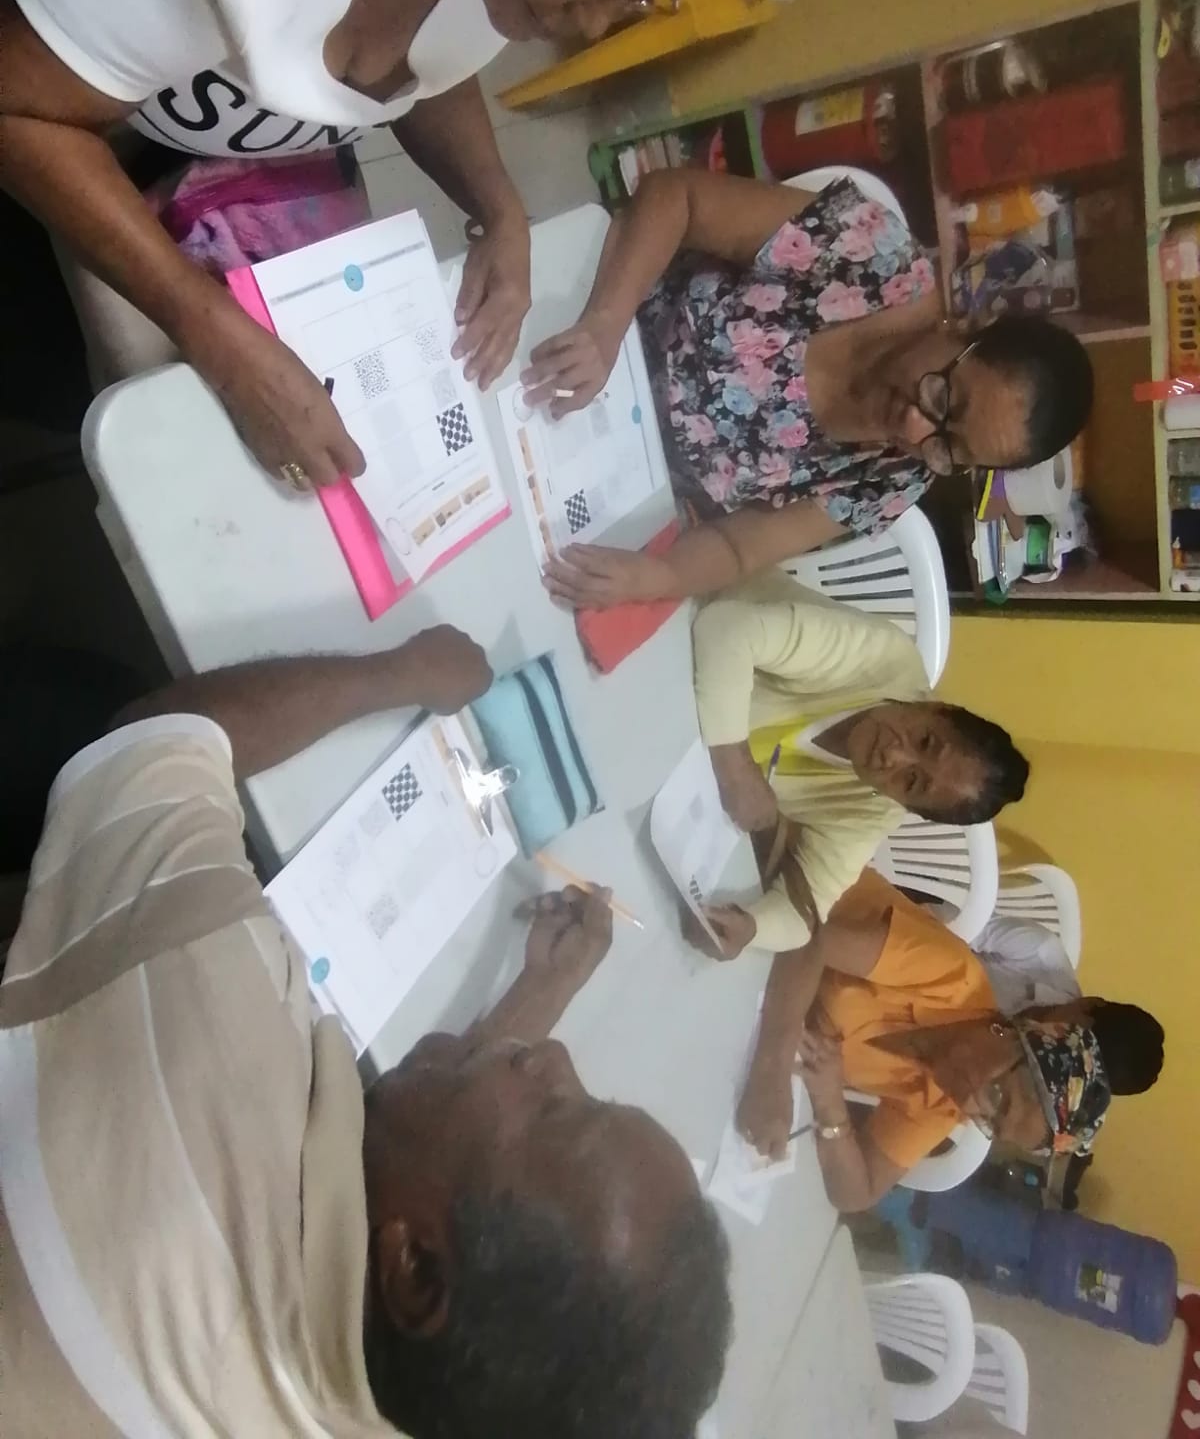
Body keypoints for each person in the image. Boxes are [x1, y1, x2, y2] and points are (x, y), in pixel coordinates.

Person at [0, 626, 732, 1437]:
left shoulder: (213, 1025)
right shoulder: (431, 1392)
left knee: (89, 700)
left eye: (558, 1110)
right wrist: (541, 990)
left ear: (412, 1271)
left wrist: (402, 673)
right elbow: (406, 1171)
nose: (554, 1056)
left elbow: (155, 742)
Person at [0, 0, 771, 487]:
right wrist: (219, 339)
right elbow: (18, 105)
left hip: (204, 146)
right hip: (59, 114)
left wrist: (498, 206)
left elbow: (424, 62)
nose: (594, 20)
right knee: (98, 397)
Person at [536, 171, 1093, 610]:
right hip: (586, 315)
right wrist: (604, 326)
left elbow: (739, 546)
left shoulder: (893, 479)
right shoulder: (871, 258)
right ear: (964, 327)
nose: (913, 428)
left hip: (609, 474)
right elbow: (676, 197)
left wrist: (657, 577)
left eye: (949, 448)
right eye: (945, 398)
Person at [735, 869, 1164, 1211]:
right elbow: (806, 938)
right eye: (999, 1097)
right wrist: (773, 1071)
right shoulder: (952, 976)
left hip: (746, 1016)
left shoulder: (942, 1105)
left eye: (991, 1125)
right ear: (1014, 1037)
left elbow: (857, 1193)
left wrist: (830, 1106)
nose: (974, 1109)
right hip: (763, 893)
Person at [683, 572, 1029, 959]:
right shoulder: (882, 657)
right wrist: (734, 766)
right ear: (938, 708)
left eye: (912, 782)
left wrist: (751, 927)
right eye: (925, 741)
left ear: (906, 806)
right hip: (674, 634)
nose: (894, 756)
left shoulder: (872, 811)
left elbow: (803, 917)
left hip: (666, 762)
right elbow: (725, 629)